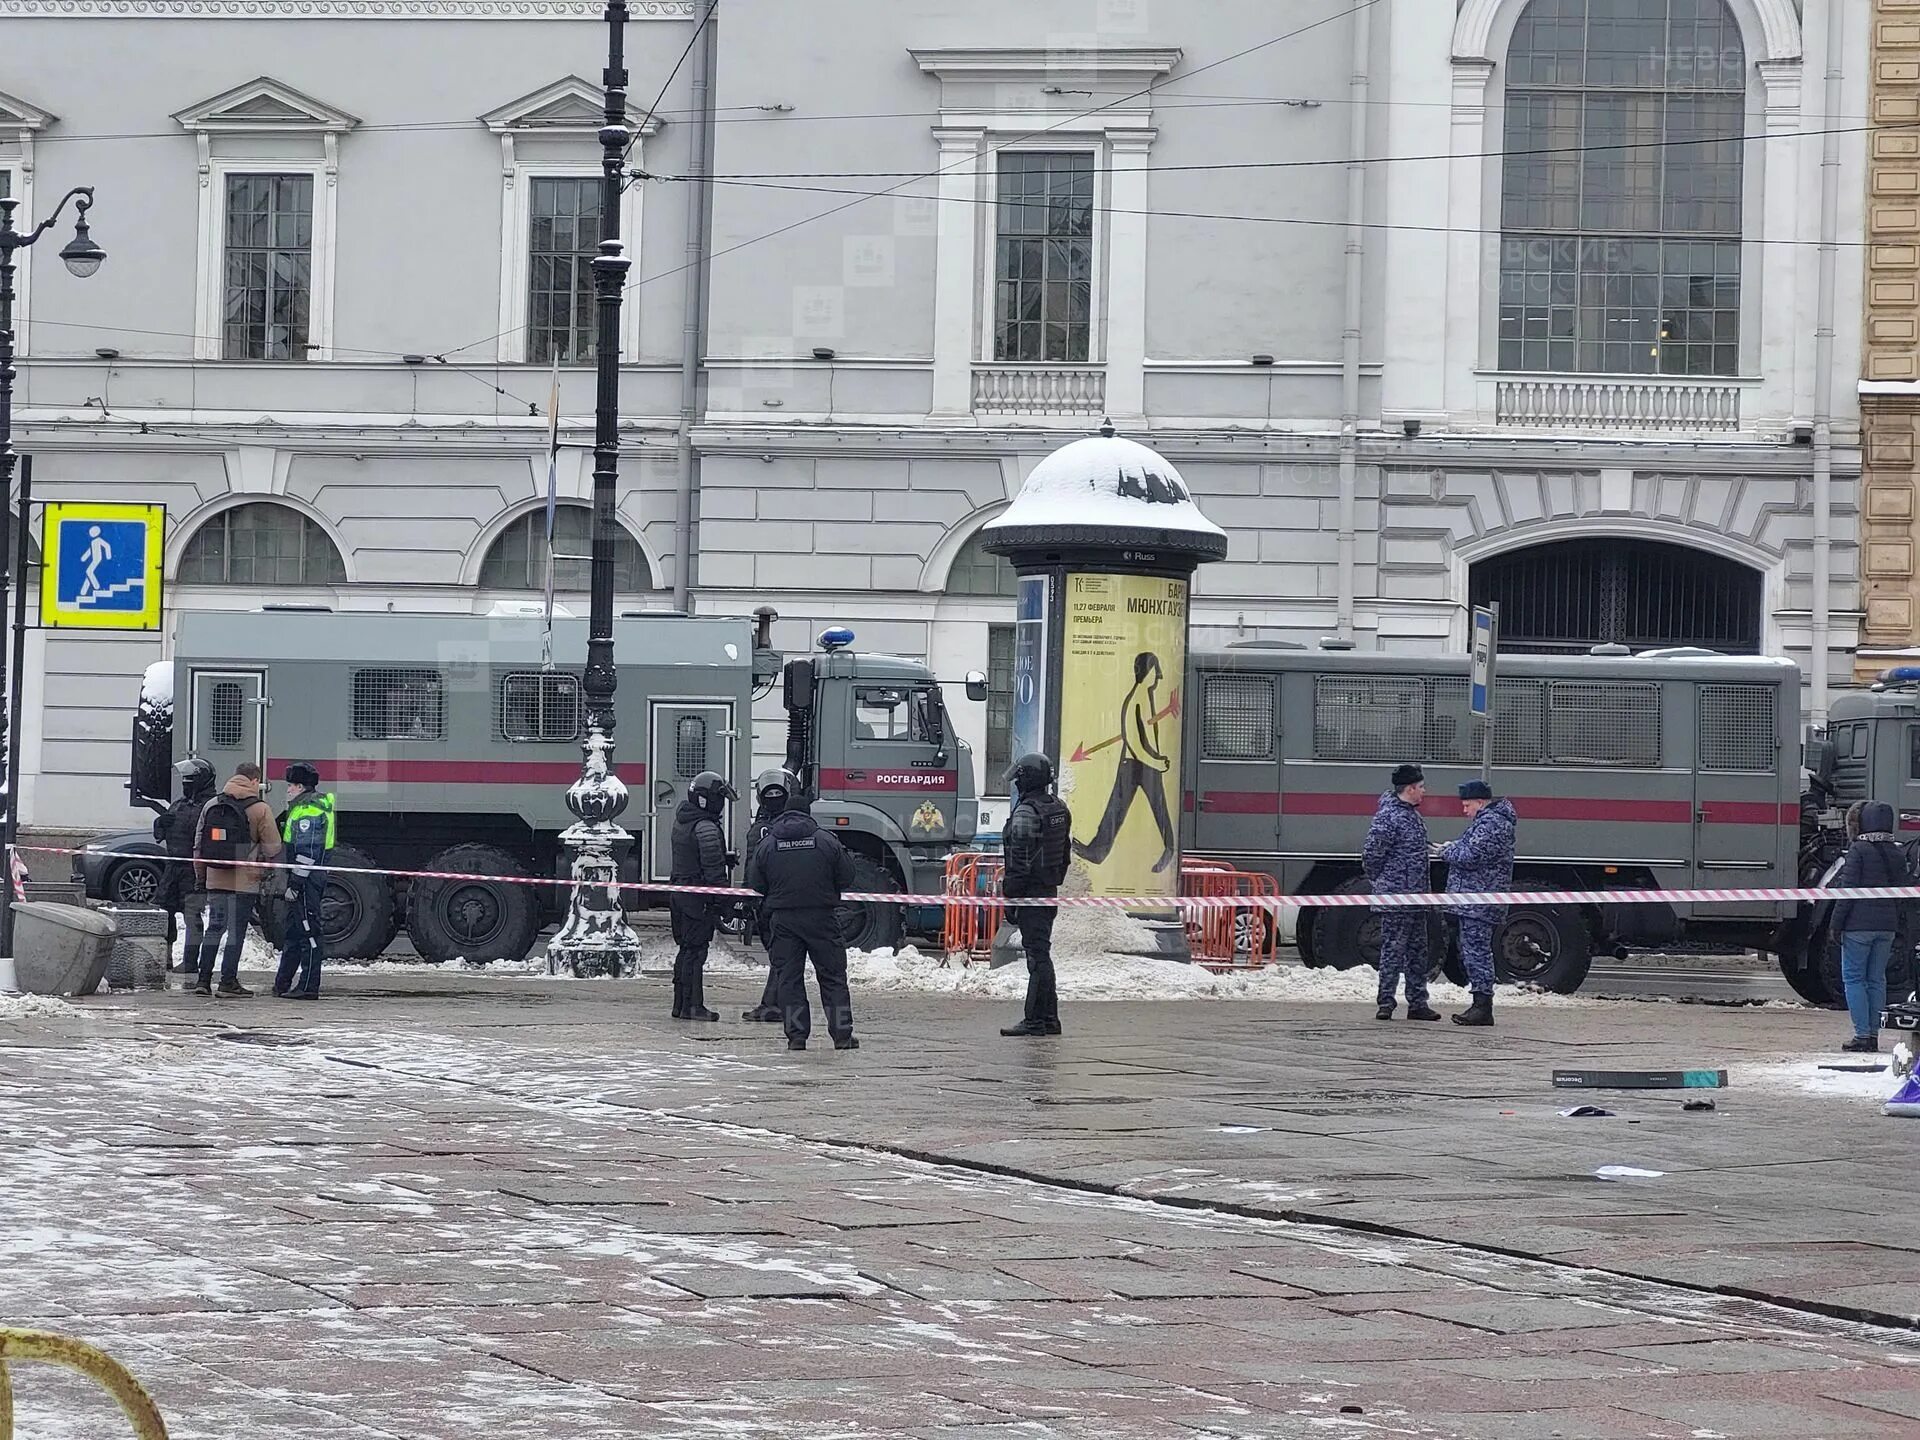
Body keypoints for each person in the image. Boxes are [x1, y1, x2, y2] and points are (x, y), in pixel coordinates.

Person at [747, 793, 859, 1052]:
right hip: (822, 919)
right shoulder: (826, 841)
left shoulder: (769, 843)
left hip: (784, 921)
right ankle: (842, 1036)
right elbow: (847, 876)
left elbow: (755, 883)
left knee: (789, 979)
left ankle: (797, 1037)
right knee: (833, 978)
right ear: (808, 813)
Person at [1073, 651, 1176, 875]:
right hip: (1135, 762)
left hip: (1140, 762)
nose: (1159, 676)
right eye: (1155, 670)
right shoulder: (1135, 700)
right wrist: (1156, 762)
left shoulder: (1144, 698)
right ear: (1147, 672)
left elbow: (1145, 734)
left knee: (1154, 808)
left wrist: (1156, 759)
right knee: (1117, 809)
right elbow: (1135, 741)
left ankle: (1169, 848)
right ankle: (1097, 851)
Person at [192, 761, 283, 997]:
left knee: (214, 928)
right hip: (245, 881)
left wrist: (201, 878)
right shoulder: (260, 808)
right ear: (254, 780)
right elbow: (273, 847)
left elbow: (199, 846)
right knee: (236, 932)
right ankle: (227, 982)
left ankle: (203, 981)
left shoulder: (212, 804)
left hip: (215, 876)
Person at [999, 753, 1074, 1038]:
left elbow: (1019, 858)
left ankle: (1034, 1020)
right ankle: (1049, 1018)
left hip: (1029, 893)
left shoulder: (1026, 813)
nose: (1016, 783)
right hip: (1047, 890)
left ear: (1027, 780)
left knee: (1037, 956)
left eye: (1019, 778)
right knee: (1042, 952)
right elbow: (1064, 852)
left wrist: (1012, 896)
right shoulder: (1058, 808)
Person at [1437, 779, 1517, 1028]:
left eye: (1467, 804)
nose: (1464, 810)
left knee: (1477, 951)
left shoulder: (1491, 824)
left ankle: (1482, 1007)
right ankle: (1480, 1005)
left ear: (1481, 802)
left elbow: (1470, 856)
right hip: (1475, 900)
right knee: (1473, 950)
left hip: (1479, 900)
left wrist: (1445, 851)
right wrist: (1454, 847)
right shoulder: (1489, 823)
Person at [1363, 762, 1438, 1022]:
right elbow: (1372, 855)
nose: (1424, 791)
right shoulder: (1389, 816)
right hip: (1396, 898)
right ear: (1409, 788)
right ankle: (1386, 1002)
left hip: (1416, 897)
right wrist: (1383, 883)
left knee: (1418, 951)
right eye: (1421, 787)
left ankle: (1418, 1003)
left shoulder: (1411, 815)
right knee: (1393, 951)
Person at [1832, 800, 1909, 1053]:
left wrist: (1836, 924)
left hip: (1857, 925)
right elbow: (1901, 891)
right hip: (1886, 927)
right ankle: (1874, 1034)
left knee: (1854, 979)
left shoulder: (1859, 850)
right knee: (1877, 979)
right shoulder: (1896, 851)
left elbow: (1848, 890)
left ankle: (1862, 1035)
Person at [669, 771, 737, 1022]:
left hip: (680, 893)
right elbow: (713, 872)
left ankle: (680, 1004)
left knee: (685, 949)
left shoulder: (683, 820)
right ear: (707, 799)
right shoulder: (705, 826)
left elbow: (694, 856)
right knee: (696, 951)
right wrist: (724, 901)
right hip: (697, 898)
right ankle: (693, 1006)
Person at [273, 762, 334, 1000]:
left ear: (299, 786)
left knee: (308, 932)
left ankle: (308, 986)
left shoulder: (308, 810)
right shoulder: (304, 807)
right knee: (294, 931)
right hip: (304, 878)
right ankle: (283, 983)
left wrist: (295, 885)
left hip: (306, 880)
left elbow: (307, 852)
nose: (287, 790)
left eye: (290, 786)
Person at [740, 769, 797, 1023]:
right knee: (782, 956)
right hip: (788, 900)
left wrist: (747, 898)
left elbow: (752, 867)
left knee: (778, 957)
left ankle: (772, 1005)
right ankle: (776, 1004)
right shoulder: (794, 829)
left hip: (767, 902)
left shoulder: (760, 830)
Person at [153, 756, 215, 969]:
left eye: (189, 780)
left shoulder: (210, 805)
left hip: (193, 868)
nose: (185, 784)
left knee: (192, 914)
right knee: (164, 909)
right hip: (173, 866)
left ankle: (190, 961)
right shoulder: (179, 804)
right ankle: (165, 957)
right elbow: (160, 834)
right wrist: (160, 823)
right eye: (184, 780)